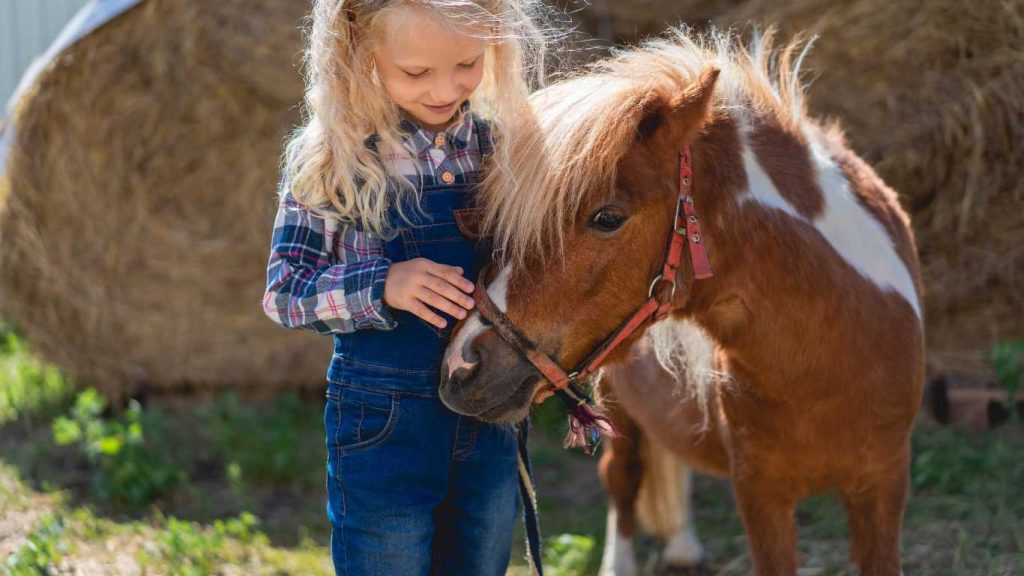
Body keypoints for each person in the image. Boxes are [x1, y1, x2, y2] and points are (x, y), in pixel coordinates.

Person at [262, 1, 551, 574]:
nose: (446, 88)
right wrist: (382, 284)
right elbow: (285, 291)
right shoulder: (335, 157)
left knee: (482, 558)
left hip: (487, 413)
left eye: (467, 63)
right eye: (416, 73)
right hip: (382, 423)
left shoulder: (506, 151)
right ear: (360, 55)